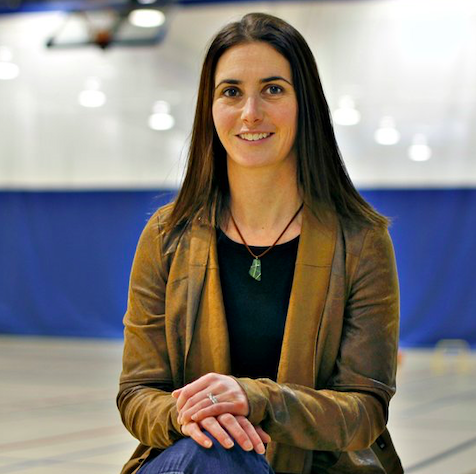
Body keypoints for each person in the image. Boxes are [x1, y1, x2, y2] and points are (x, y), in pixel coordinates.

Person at [117, 12, 403, 474]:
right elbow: (137, 393)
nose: (250, 113)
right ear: (210, 108)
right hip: (194, 458)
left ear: (304, 104)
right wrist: (190, 414)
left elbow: (365, 410)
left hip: (316, 468)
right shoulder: (166, 236)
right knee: (213, 454)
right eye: (231, 92)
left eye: (273, 89)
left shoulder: (361, 241)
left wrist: (256, 399)